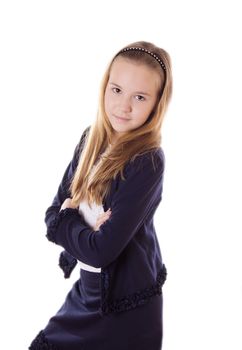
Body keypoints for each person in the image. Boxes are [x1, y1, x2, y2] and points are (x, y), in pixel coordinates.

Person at [29, 40, 173, 350]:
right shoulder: (90, 139)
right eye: (117, 90)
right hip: (88, 293)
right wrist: (81, 228)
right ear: (104, 86)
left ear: (156, 103)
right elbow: (52, 215)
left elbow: (99, 251)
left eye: (140, 97)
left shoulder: (147, 161)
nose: (124, 106)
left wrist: (70, 219)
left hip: (126, 308)